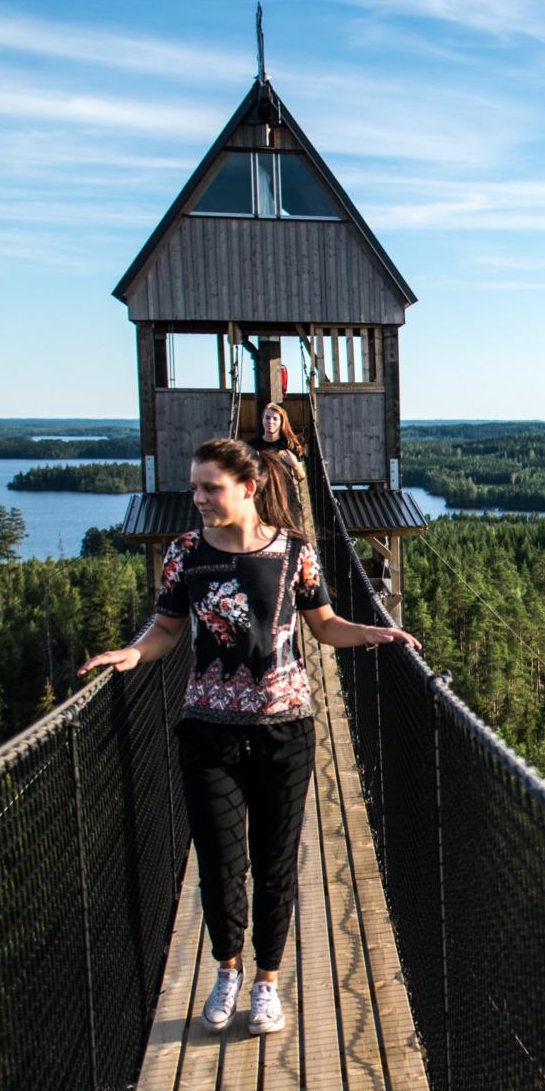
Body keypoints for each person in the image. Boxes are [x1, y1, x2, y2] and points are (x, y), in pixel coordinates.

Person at [78, 437, 419, 1037]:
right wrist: (133, 654)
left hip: (284, 728)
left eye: (210, 487)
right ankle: (227, 968)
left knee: (274, 862)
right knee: (218, 861)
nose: (198, 498)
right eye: (195, 487)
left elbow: (324, 625)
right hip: (207, 729)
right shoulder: (184, 553)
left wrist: (371, 632)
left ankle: (266, 980)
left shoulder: (296, 552)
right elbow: (164, 629)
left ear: (247, 487)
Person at [250, 399, 313, 532]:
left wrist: (295, 464)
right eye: (267, 418)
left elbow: (301, 477)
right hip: (262, 497)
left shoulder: (289, 445)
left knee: (291, 535)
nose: (270, 422)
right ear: (262, 419)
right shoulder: (252, 445)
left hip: (286, 498)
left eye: (275, 419)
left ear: (281, 422)